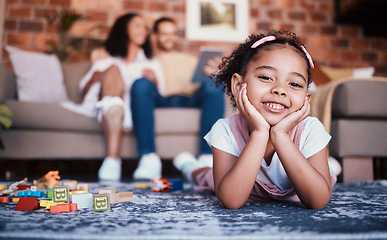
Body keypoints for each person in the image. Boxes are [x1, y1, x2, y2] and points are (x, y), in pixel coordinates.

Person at [174, 30, 337, 210]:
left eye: (295, 84)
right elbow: (231, 201)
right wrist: (260, 133)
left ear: (306, 98)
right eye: (266, 77)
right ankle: (189, 167)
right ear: (238, 85)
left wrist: (280, 135)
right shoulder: (225, 129)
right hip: (233, 180)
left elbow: (318, 201)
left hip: (300, 178)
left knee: (323, 177)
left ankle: (329, 167)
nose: (280, 90)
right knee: (207, 177)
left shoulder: (311, 129)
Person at [130, 17, 225, 180]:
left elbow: (202, 85)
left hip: (189, 99)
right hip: (161, 99)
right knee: (140, 84)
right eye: (164, 34)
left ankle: (207, 157)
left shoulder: (191, 59)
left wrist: (212, 74)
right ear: (155, 36)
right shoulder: (146, 59)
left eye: (173, 34)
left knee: (214, 84)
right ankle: (148, 158)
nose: (169, 38)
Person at [77, 13, 165, 181]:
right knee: (112, 70)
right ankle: (114, 107)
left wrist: (154, 81)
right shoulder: (106, 61)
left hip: (136, 110)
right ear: (124, 29)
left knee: (128, 84)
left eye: (144, 27)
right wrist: (92, 79)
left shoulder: (151, 64)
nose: (143, 31)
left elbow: (162, 96)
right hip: (111, 106)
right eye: (137, 26)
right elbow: (84, 94)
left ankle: (112, 159)